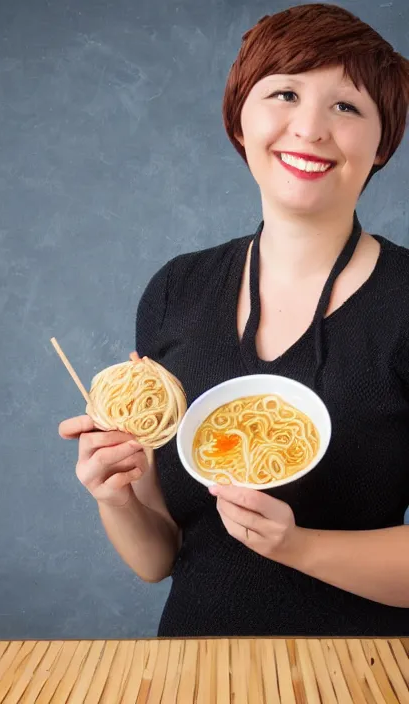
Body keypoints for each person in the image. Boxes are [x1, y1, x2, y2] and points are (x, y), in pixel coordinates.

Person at [60, 3, 409, 636]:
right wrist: (117, 496)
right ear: (239, 120)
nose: (309, 129)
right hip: (193, 667)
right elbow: (160, 557)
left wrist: (299, 547)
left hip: (365, 673)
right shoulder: (178, 290)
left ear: (383, 141)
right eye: (284, 93)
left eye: (347, 106)